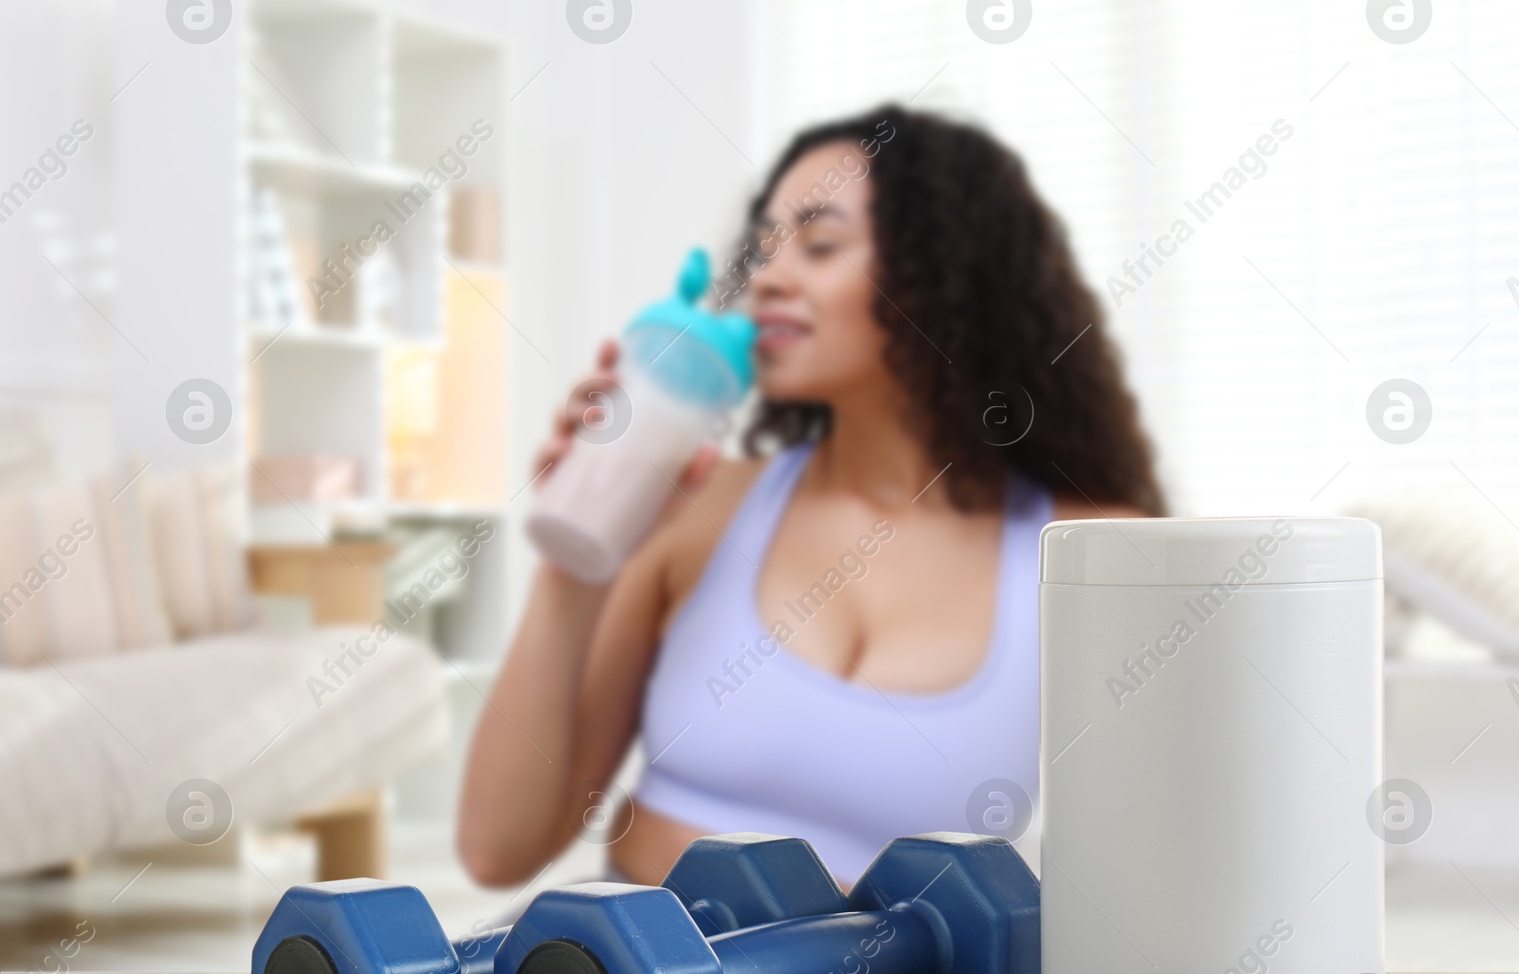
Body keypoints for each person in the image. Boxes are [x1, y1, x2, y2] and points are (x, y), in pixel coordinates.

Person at [457, 104, 1165, 889]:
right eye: (762, 249)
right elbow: (499, 849)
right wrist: (577, 558)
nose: (768, 278)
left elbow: (1158, 868)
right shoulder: (700, 507)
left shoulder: (1090, 559)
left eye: (819, 244)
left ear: (948, 273)